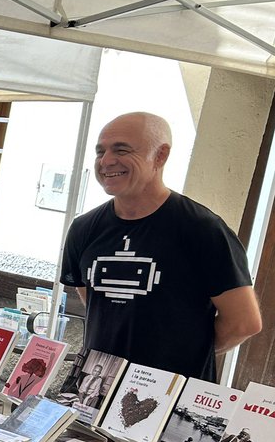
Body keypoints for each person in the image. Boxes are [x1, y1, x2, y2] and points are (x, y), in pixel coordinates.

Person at [61, 112, 261, 381]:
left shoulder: (202, 229)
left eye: (121, 150)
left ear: (160, 155)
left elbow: (243, 322)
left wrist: (184, 352)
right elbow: (93, 297)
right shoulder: (83, 228)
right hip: (95, 389)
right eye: (100, 152)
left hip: (169, 397)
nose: (106, 161)